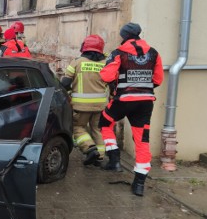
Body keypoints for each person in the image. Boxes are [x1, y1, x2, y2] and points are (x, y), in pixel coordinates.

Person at [99, 23, 163, 196]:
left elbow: (106, 76)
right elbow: (158, 79)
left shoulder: (118, 53)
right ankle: (139, 184)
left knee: (105, 122)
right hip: (145, 102)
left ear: (124, 35)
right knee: (142, 141)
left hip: (123, 100)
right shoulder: (154, 53)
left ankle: (114, 159)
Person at [61, 35, 108, 167]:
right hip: (100, 105)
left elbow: (65, 83)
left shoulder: (77, 62)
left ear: (84, 47)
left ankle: (89, 148)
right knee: (97, 129)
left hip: (81, 106)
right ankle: (100, 157)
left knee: (77, 127)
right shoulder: (105, 63)